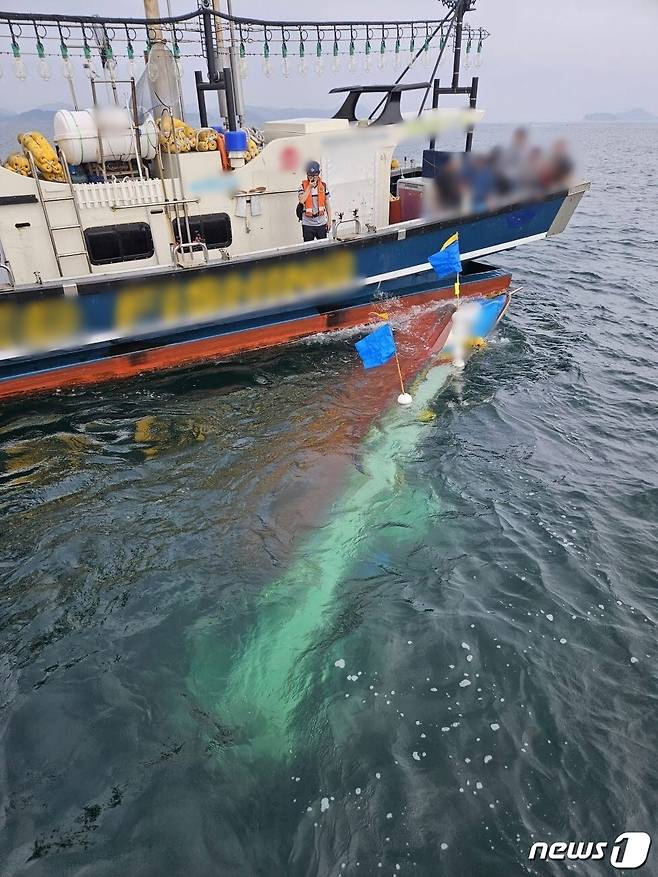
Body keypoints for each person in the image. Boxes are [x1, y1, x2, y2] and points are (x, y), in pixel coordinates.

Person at [298, 160, 332, 242]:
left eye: (315, 175)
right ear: (307, 174)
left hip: (321, 223)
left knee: (323, 247)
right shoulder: (302, 186)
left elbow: (327, 204)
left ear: (318, 174)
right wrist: (309, 187)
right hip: (307, 224)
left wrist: (329, 220)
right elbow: (301, 200)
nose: (312, 177)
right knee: (309, 248)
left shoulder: (323, 186)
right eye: (310, 175)